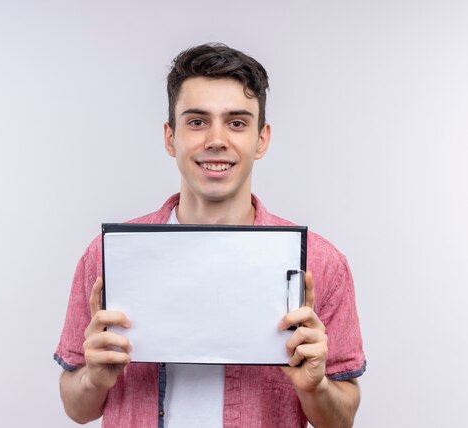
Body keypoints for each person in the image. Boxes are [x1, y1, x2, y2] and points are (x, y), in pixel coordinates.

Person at [54, 43, 366, 428]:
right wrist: (94, 378)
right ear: (171, 137)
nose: (216, 140)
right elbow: (76, 407)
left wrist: (315, 387)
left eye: (236, 122)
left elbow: (342, 418)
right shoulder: (107, 256)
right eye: (197, 122)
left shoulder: (320, 262)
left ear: (262, 139)